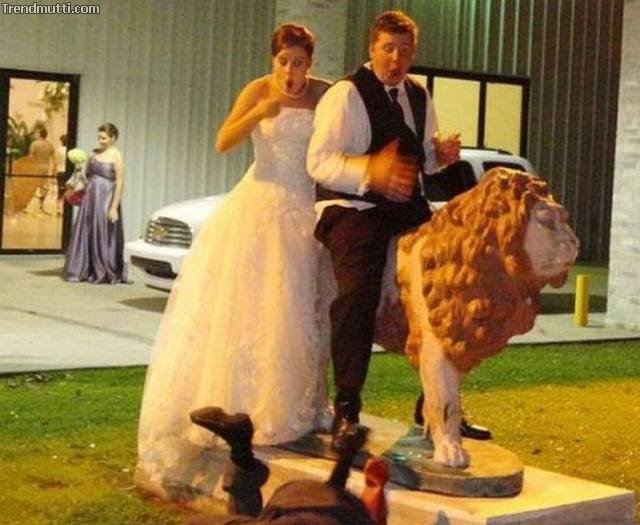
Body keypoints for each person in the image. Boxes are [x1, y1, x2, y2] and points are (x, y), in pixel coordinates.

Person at [136, 24, 335, 499]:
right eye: (283, 61)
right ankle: (241, 404)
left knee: (297, 311)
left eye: (299, 62)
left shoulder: (326, 94)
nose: (290, 71)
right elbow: (223, 140)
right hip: (259, 203)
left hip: (303, 208)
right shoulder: (257, 90)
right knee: (249, 309)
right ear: (273, 60)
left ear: (310, 62)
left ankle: (297, 407)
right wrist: (258, 114)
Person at [306, 10, 487, 451]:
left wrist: (440, 156)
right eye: (388, 48)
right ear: (372, 48)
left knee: (454, 280)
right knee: (358, 290)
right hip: (352, 206)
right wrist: (371, 171)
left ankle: (438, 404)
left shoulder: (419, 94)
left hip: (405, 207)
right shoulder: (346, 94)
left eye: (405, 51)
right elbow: (319, 162)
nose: (396, 59)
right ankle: (347, 407)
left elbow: (423, 159)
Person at [184, 406, 387, 525]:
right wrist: (374, 485)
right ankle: (241, 450)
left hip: (302, 503)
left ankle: (241, 449)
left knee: (331, 501)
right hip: (299, 504)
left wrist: (374, 484)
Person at [63, 123, 125, 283]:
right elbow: (86, 178)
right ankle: (83, 268)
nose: (100, 141)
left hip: (106, 198)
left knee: (103, 231)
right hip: (91, 198)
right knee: (87, 230)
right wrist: (75, 184)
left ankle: (103, 270)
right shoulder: (93, 153)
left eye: (104, 138)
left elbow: (119, 182)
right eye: (99, 138)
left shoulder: (116, 155)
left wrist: (114, 207)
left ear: (113, 138)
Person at [55, 134, 68, 200]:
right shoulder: (69, 150)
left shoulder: (58, 150)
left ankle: (59, 200)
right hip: (67, 171)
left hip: (59, 170)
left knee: (60, 188)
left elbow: (56, 161)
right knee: (66, 188)